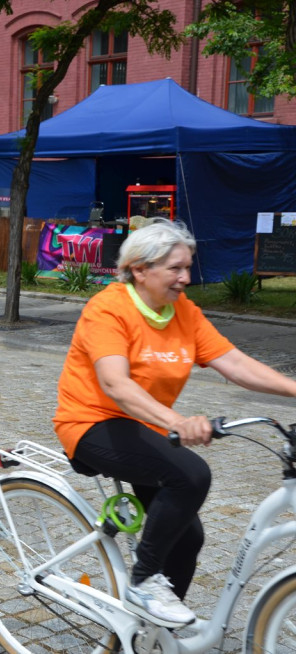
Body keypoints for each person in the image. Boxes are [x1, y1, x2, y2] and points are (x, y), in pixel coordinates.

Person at [53, 218, 296, 628]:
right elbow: (115, 384)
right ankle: (144, 582)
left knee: (188, 540)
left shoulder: (182, 312)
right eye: (175, 269)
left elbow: (233, 364)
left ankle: (151, 635)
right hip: (91, 423)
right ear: (140, 269)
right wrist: (178, 422)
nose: (186, 278)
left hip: (142, 428)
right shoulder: (109, 308)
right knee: (191, 474)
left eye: (188, 267)